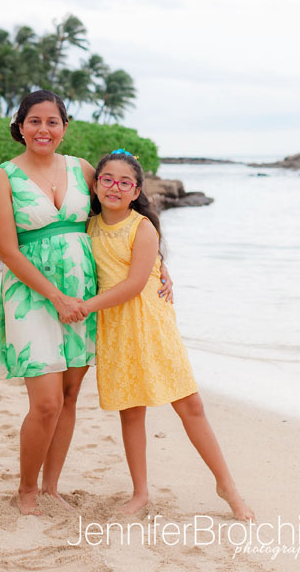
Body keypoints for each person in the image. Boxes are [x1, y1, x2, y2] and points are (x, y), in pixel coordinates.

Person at [0, 91, 174, 515]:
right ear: (19, 127)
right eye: (34, 121)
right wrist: (56, 297)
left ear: (64, 127)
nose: (43, 130)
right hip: (33, 295)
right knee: (46, 401)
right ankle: (27, 490)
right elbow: (9, 252)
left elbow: (123, 212)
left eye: (53, 122)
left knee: (70, 395)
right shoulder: (3, 177)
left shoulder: (82, 169)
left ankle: (51, 487)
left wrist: (159, 264)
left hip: (83, 293)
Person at [76, 151, 254, 520]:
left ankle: (227, 487)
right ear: (95, 185)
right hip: (116, 329)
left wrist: (85, 306)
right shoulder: (88, 226)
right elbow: (74, 163)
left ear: (137, 190)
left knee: (190, 404)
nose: (114, 187)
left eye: (125, 182)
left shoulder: (142, 226)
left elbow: (135, 283)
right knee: (131, 411)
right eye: (106, 179)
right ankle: (140, 493)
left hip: (151, 324)